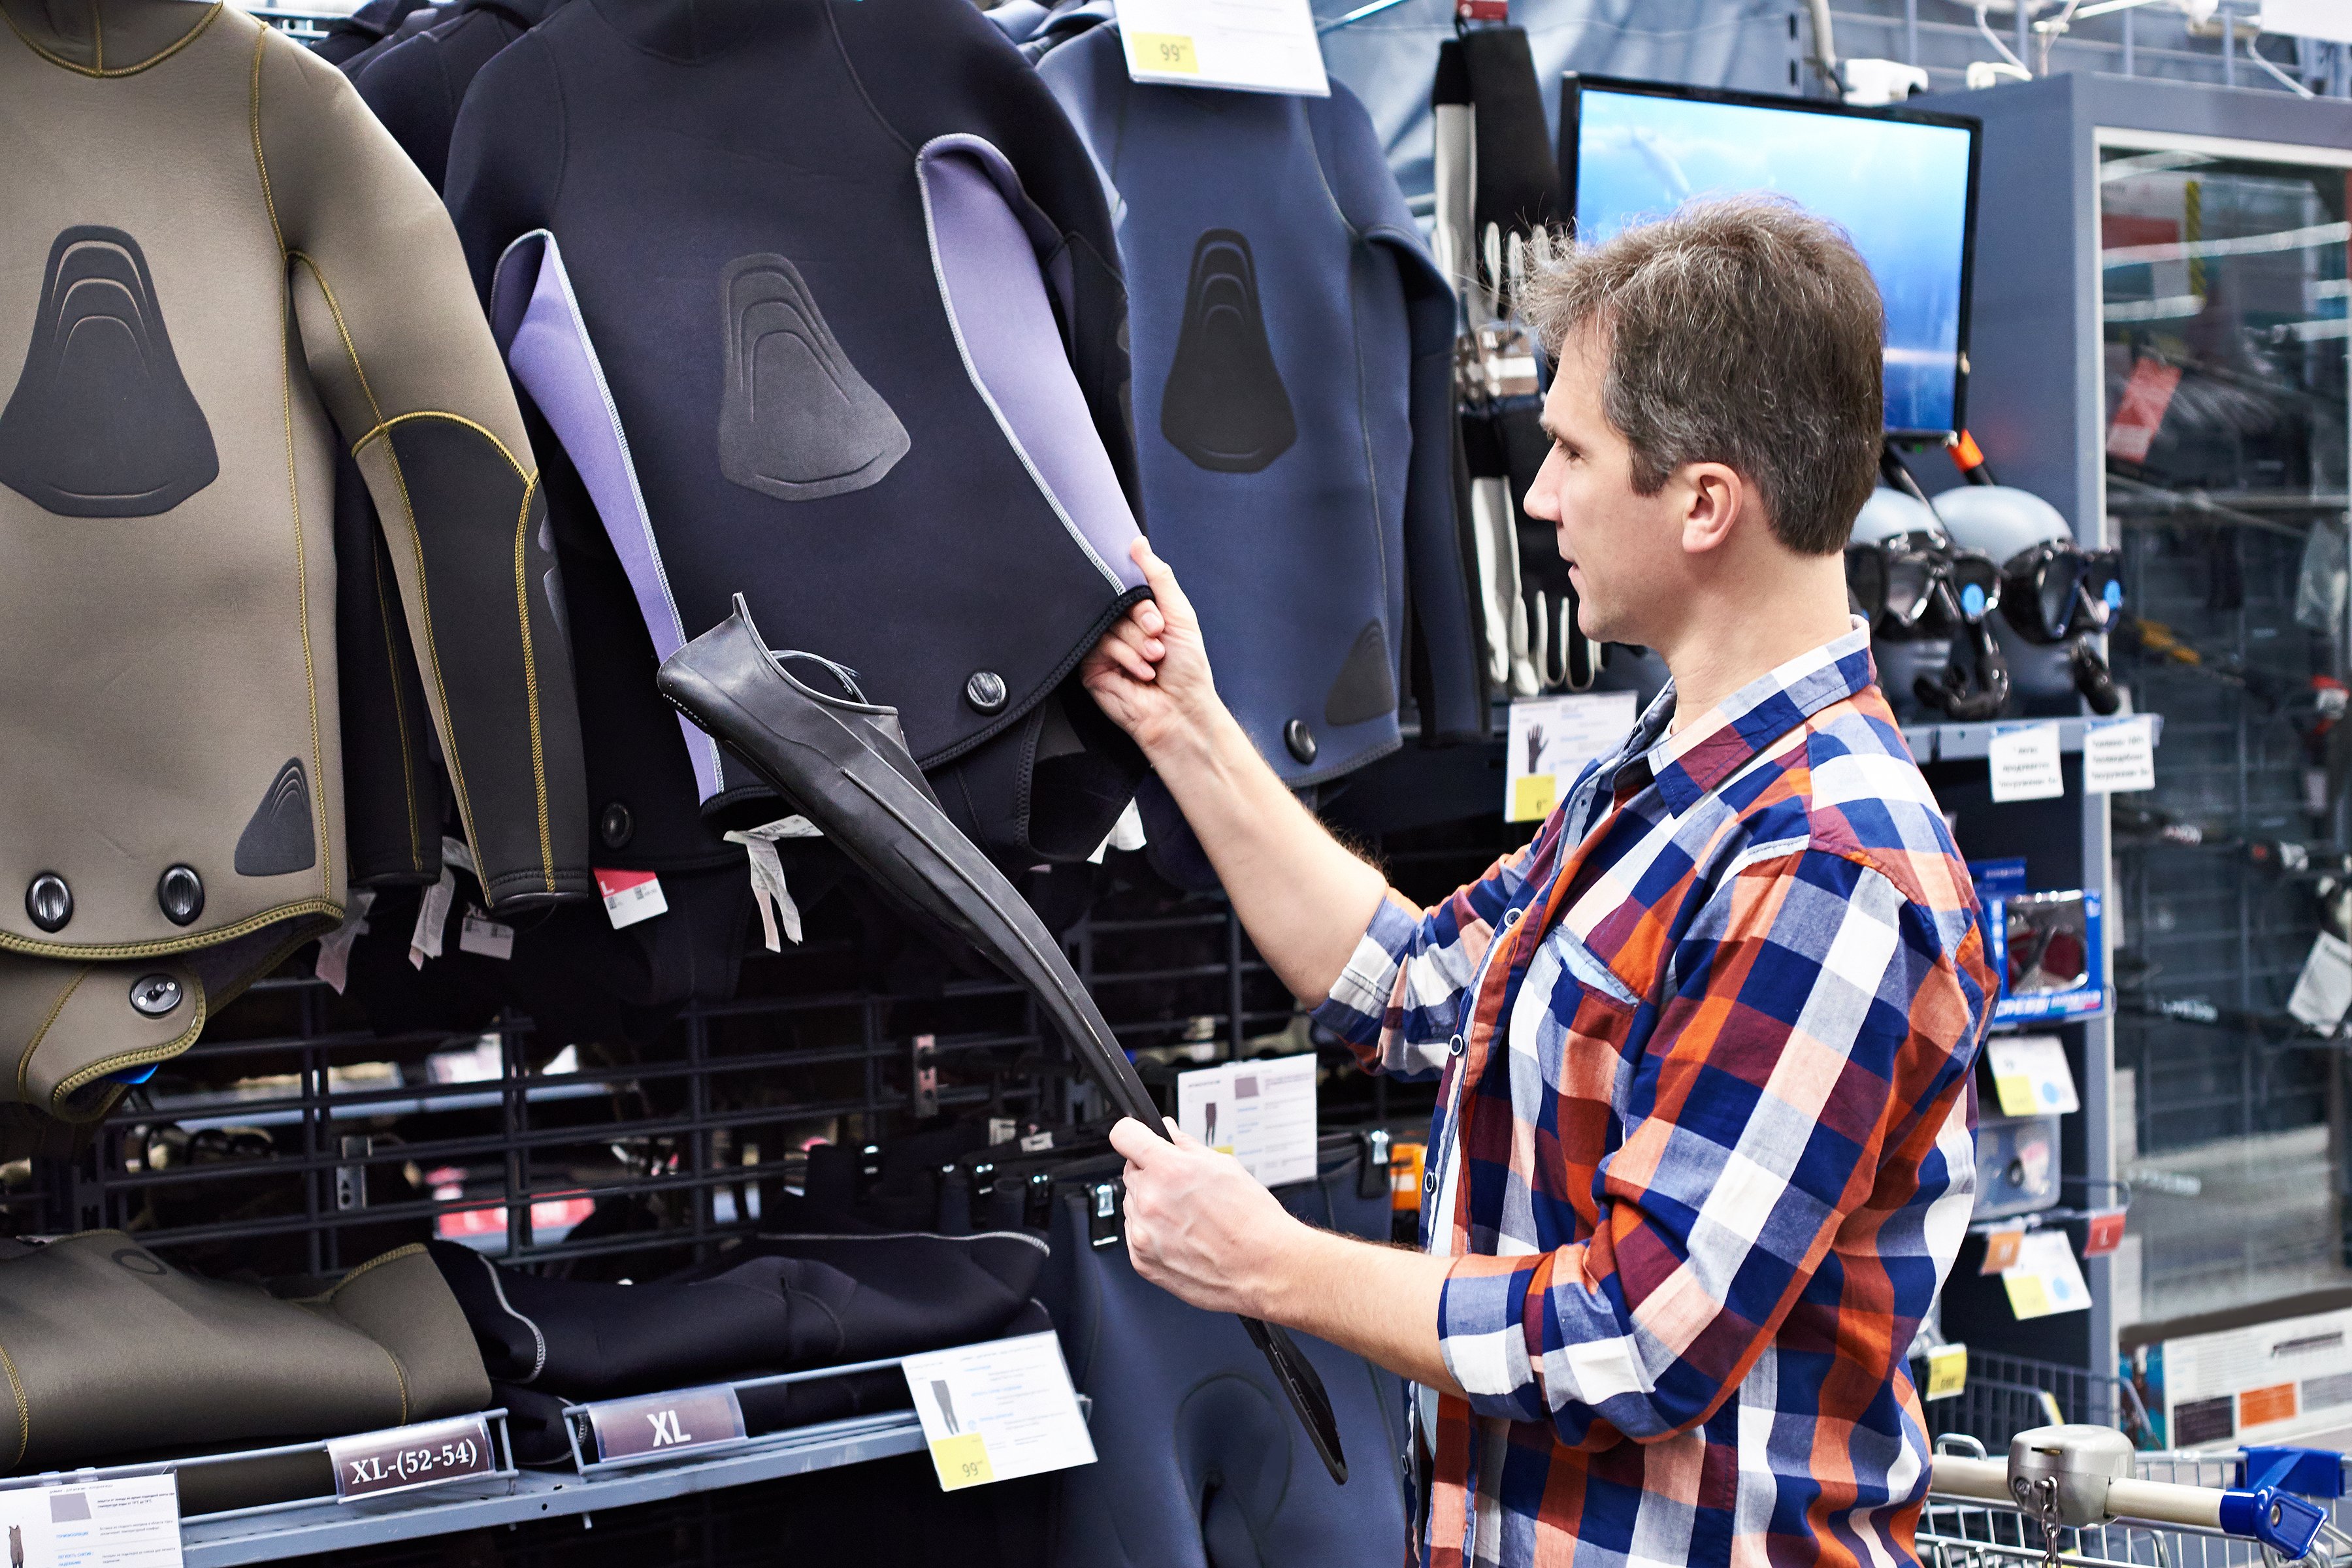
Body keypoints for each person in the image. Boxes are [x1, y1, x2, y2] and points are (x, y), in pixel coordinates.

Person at [1080, 197, 1994, 1567]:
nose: (1541, 493)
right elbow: (1409, 983)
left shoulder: (1823, 865)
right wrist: (1186, 724)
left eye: (1571, 451)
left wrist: (1273, 1265)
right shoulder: (1666, 785)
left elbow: (1639, 1338)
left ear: (1702, 503)